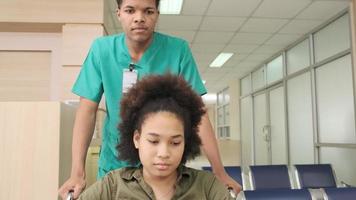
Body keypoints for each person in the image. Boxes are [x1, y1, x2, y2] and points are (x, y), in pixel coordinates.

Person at [58, 0, 241, 199]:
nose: (139, 18)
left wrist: (219, 171)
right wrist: (77, 173)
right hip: (116, 161)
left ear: (157, 14)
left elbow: (199, 115)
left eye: (148, 11)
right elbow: (87, 111)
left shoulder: (177, 50)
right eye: (130, 10)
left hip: (165, 166)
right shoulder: (102, 50)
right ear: (119, 13)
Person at [78, 74, 235, 200]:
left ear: (185, 142)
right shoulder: (113, 186)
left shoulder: (207, 186)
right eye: (153, 141)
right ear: (137, 139)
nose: (163, 153)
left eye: (175, 142)